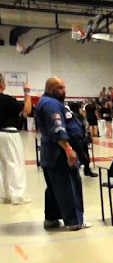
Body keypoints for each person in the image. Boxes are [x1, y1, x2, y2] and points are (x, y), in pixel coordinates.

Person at [36, 77, 91, 230]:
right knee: (69, 186)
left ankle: (51, 218)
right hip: (59, 153)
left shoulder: (51, 102)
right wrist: (68, 149)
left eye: (64, 87)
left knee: (54, 188)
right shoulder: (50, 104)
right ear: (50, 88)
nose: (64, 90)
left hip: (51, 154)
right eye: (60, 88)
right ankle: (75, 221)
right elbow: (57, 128)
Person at [0, 74, 32, 205]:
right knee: (14, 164)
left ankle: (5, 194)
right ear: (2, 84)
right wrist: (27, 92)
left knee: (2, 166)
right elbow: (27, 110)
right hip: (9, 133)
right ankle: (17, 196)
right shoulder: (8, 100)